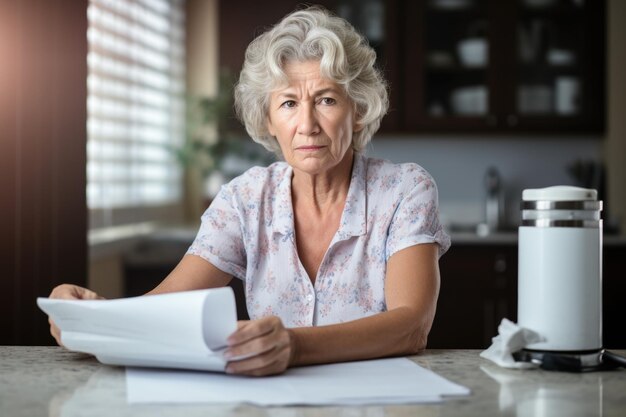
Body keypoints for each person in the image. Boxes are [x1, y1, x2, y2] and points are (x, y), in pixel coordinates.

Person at [47, 6, 450, 376]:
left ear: (358, 111)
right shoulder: (244, 199)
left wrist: (292, 345)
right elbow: (164, 305)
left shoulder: (405, 190)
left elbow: (411, 325)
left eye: (326, 100)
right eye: (289, 103)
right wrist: (92, 319)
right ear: (269, 119)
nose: (307, 124)